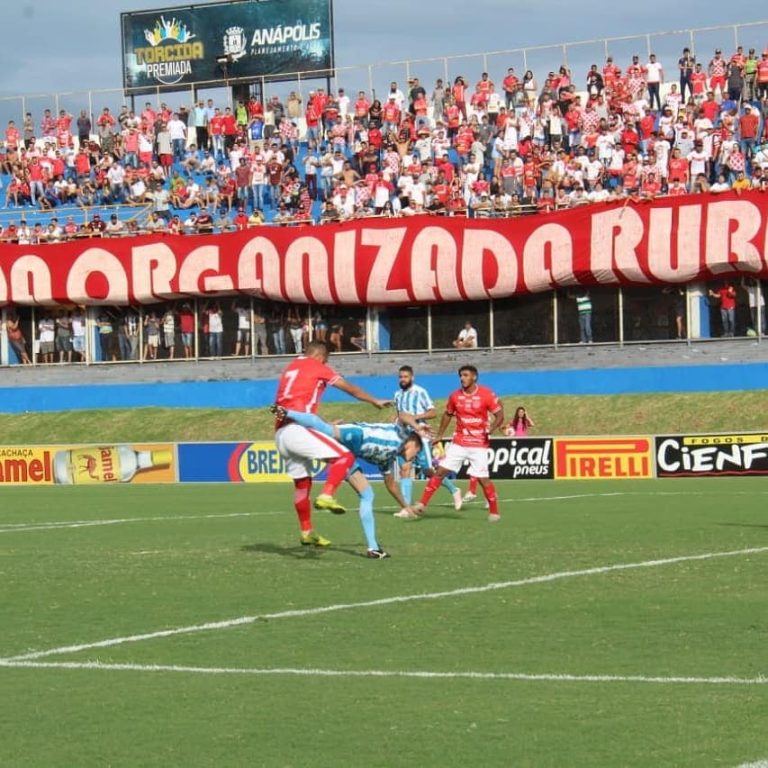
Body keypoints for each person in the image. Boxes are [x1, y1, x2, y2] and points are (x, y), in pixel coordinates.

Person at [273, 340, 390, 547]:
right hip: (297, 429)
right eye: (326, 360)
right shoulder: (318, 366)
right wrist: (374, 400)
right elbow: (350, 389)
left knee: (302, 483)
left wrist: (324, 424)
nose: (326, 363)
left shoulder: (291, 367)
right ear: (320, 356)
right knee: (344, 456)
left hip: (281, 433)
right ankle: (327, 495)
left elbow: (297, 402)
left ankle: (307, 531)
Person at [272, 405, 425, 558]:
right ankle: (287, 413)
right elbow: (403, 415)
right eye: (417, 453)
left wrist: (406, 507)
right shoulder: (403, 434)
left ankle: (373, 548)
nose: (414, 458)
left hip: (347, 454)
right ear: (414, 443)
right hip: (357, 434)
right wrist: (417, 427)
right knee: (326, 429)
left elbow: (390, 484)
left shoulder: (387, 459)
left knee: (367, 494)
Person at [397, 365, 504, 521]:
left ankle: (494, 512)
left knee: (483, 479)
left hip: (478, 444)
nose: (462, 378)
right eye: (461, 375)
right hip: (459, 442)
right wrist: (440, 435)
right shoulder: (455, 396)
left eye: (466, 375)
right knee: (440, 471)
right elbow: (447, 415)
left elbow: (500, 415)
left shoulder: (486, 394)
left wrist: (492, 429)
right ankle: (422, 504)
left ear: (474, 377)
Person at [393, 365, 463, 511]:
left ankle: (454, 490)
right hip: (403, 435)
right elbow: (399, 414)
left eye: (405, 377)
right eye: (400, 377)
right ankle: (407, 507)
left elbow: (433, 412)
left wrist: (415, 417)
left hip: (420, 435)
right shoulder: (397, 395)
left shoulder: (420, 392)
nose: (403, 379)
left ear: (412, 377)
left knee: (428, 471)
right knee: (404, 469)